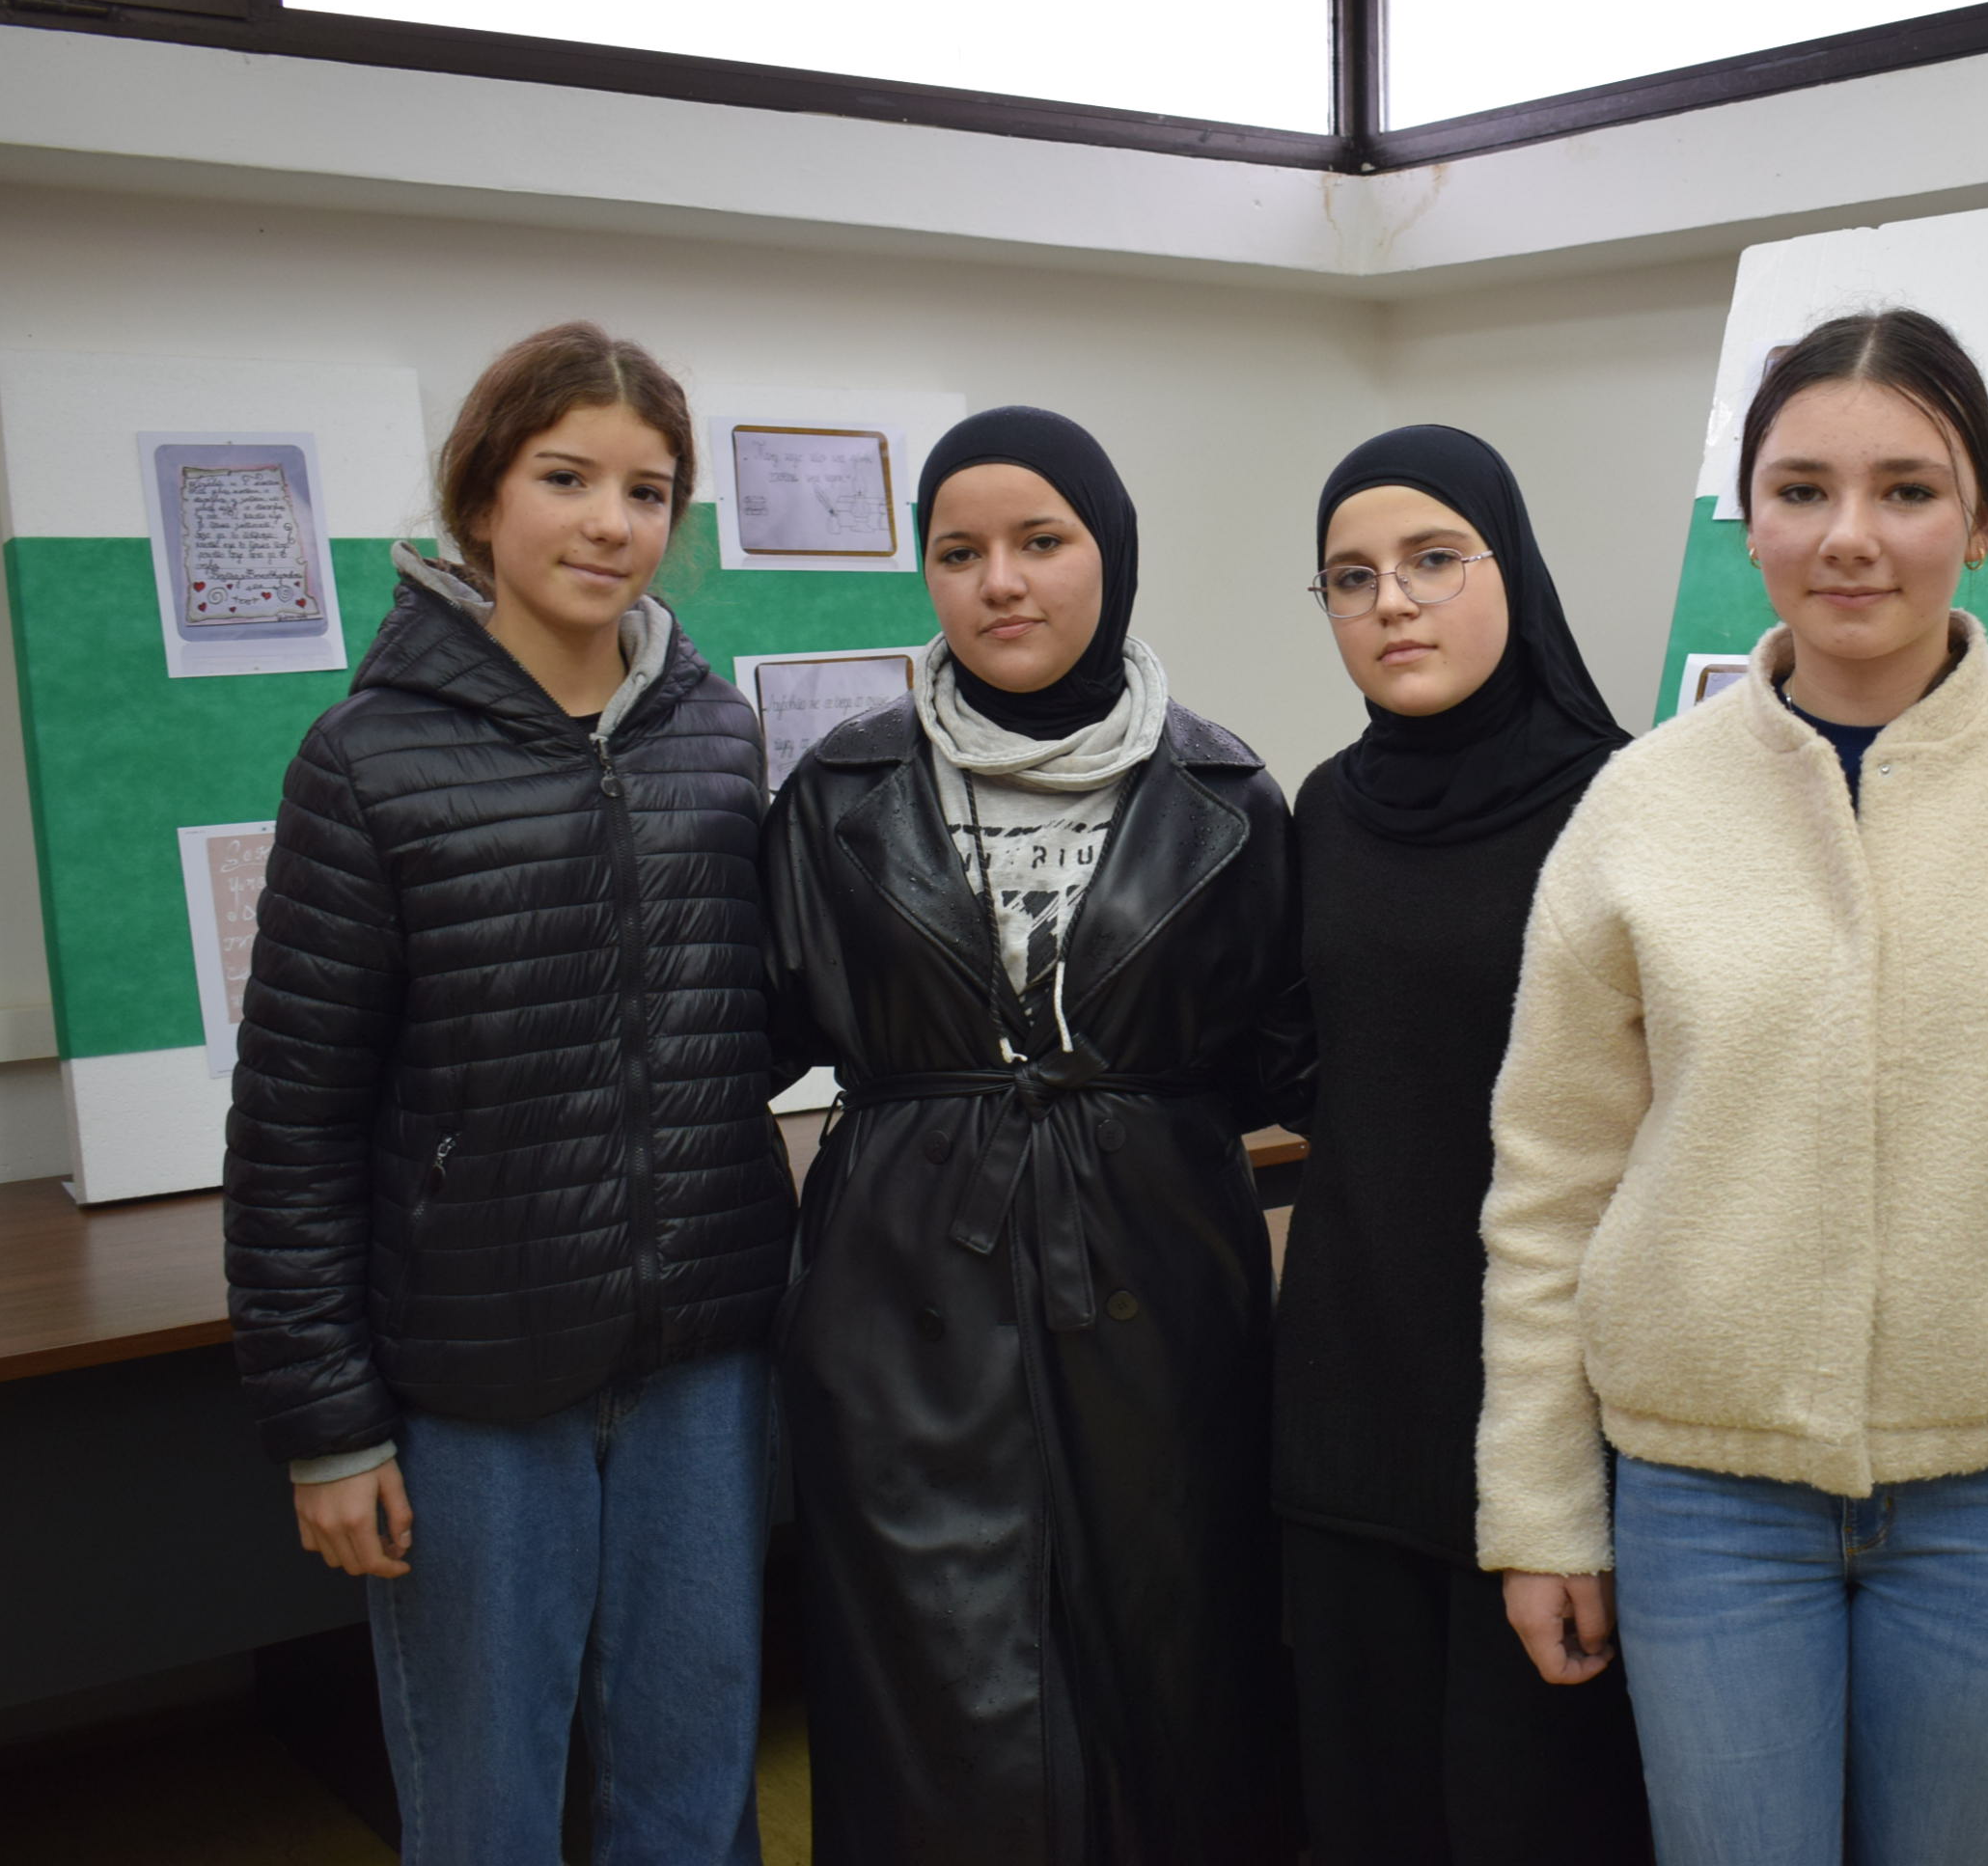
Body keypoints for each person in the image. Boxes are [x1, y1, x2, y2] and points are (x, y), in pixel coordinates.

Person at [1474, 310, 1988, 1866]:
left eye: (1908, 490)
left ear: (1980, 521)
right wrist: (1538, 1503)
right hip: (1705, 1492)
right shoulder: (1640, 810)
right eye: (1800, 490)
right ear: (1749, 523)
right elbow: (1550, 1180)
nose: (1849, 536)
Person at [224, 321, 794, 1865]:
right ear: (482, 496)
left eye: (646, 490)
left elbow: (749, 1022)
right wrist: (327, 1429)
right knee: (486, 1810)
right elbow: (292, 1124)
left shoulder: (716, 738)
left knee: (696, 1794)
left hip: (702, 1361)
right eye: (565, 478)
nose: (609, 522)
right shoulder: (365, 760)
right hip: (474, 1385)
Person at [762, 406, 1307, 1865]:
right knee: (928, 1673)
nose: (1000, 581)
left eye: (1040, 541)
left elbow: (1291, 1049)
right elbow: (749, 1032)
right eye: (959, 552)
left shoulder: (1226, 795)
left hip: (1160, 1279)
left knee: (1177, 1655)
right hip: (898, 1292)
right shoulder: (837, 792)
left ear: (1109, 555)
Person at [1273, 424, 1650, 1865]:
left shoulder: (1628, 807)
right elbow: (1312, 1057)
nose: (1393, 603)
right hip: (1350, 1387)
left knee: (1533, 1812)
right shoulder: (1325, 807)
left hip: (1548, 1406)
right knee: (1362, 1809)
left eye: (1433, 560)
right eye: (1351, 577)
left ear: (1514, 569)